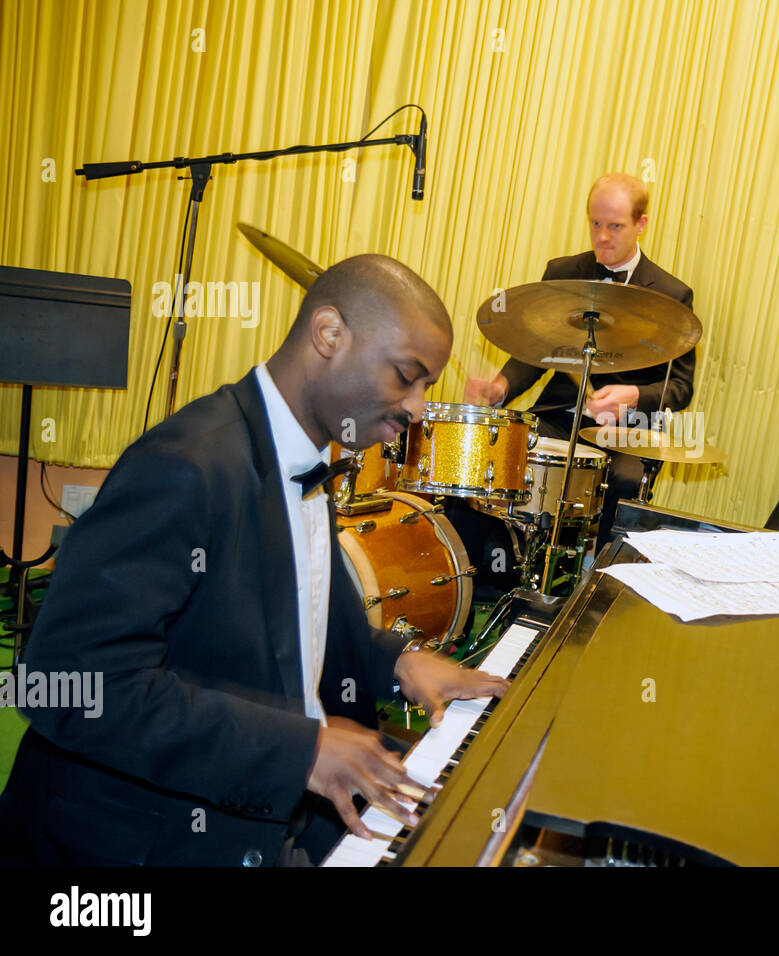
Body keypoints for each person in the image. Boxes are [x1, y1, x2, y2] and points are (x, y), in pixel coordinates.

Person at [0, 254, 509, 866]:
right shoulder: (186, 465)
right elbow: (70, 685)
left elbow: (305, 625)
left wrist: (401, 663)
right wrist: (302, 753)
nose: (419, 407)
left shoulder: (307, 453)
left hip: (255, 800)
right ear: (329, 335)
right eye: (407, 375)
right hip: (132, 841)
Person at [465, 172, 696, 545]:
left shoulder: (672, 294)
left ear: (641, 224)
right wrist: (499, 387)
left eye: (616, 226)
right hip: (560, 416)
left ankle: (598, 587)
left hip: (628, 430)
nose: (602, 237)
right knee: (499, 450)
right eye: (595, 223)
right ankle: (494, 567)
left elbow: (680, 387)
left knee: (623, 479)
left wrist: (632, 396)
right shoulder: (563, 272)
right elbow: (537, 351)